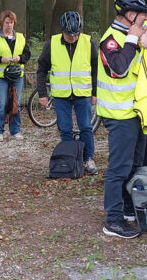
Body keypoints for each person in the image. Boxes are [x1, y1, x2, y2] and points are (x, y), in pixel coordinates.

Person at [96, 0, 147, 239]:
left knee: (136, 165)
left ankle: (128, 210)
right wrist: (133, 39)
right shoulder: (112, 39)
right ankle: (112, 220)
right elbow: (119, 68)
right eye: (143, 15)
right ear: (131, 15)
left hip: (137, 113)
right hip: (119, 114)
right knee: (119, 168)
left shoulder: (132, 35)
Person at [36, 11, 99, 175]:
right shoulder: (52, 44)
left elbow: (96, 69)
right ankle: (69, 159)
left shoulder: (88, 42)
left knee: (86, 127)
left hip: (82, 93)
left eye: (76, 34)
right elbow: (42, 69)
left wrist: (95, 92)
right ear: (62, 30)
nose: (73, 37)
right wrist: (42, 94)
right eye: (69, 34)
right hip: (61, 95)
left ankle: (88, 158)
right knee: (65, 129)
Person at [0, 10, 30, 141]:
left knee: (15, 103)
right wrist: (0, 59)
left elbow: (27, 55)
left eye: (11, 22)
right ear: (2, 23)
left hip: (17, 75)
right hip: (0, 76)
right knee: (2, 103)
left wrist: (20, 58)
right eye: (6, 22)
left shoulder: (21, 37)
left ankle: (15, 130)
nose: (9, 25)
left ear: (14, 23)